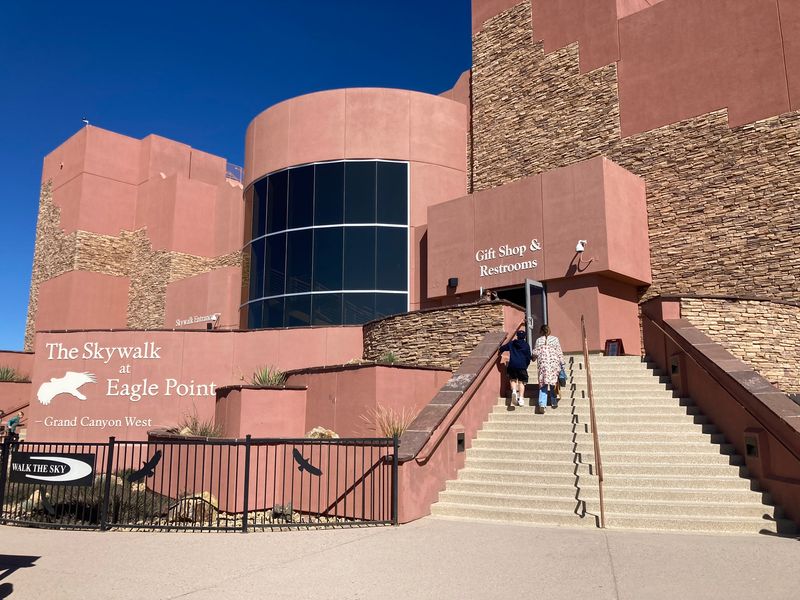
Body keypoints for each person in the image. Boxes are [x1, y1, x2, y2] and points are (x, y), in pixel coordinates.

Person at [532, 324, 564, 414]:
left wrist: (533, 358)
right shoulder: (555, 339)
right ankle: (553, 402)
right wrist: (563, 364)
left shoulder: (539, 340)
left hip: (543, 365)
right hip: (554, 364)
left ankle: (542, 404)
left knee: (543, 384)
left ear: (541, 331)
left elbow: (535, 352)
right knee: (554, 383)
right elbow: (559, 352)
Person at [500, 328, 532, 407]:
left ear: (517, 336)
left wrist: (500, 350)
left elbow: (503, 348)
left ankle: (514, 391)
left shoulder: (512, 343)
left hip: (512, 365)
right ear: (524, 337)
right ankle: (521, 398)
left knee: (513, 380)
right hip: (522, 366)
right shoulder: (526, 345)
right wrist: (526, 364)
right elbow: (528, 357)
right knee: (521, 382)